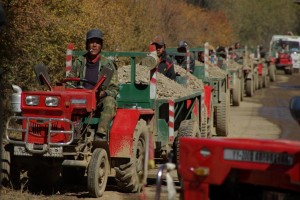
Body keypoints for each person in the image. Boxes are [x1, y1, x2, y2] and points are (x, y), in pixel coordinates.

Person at [69, 29, 118, 141]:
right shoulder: (79, 62)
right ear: (87, 45)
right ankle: (67, 132)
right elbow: (69, 83)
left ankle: (100, 135)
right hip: (80, 99)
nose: (94, 45)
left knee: (110, 102)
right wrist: (75, 92)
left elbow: (114, 89)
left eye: (97, 42)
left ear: (101, 46)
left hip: (98, 99)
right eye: (91, 42)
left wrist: (104, 93)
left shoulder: (108, 65)